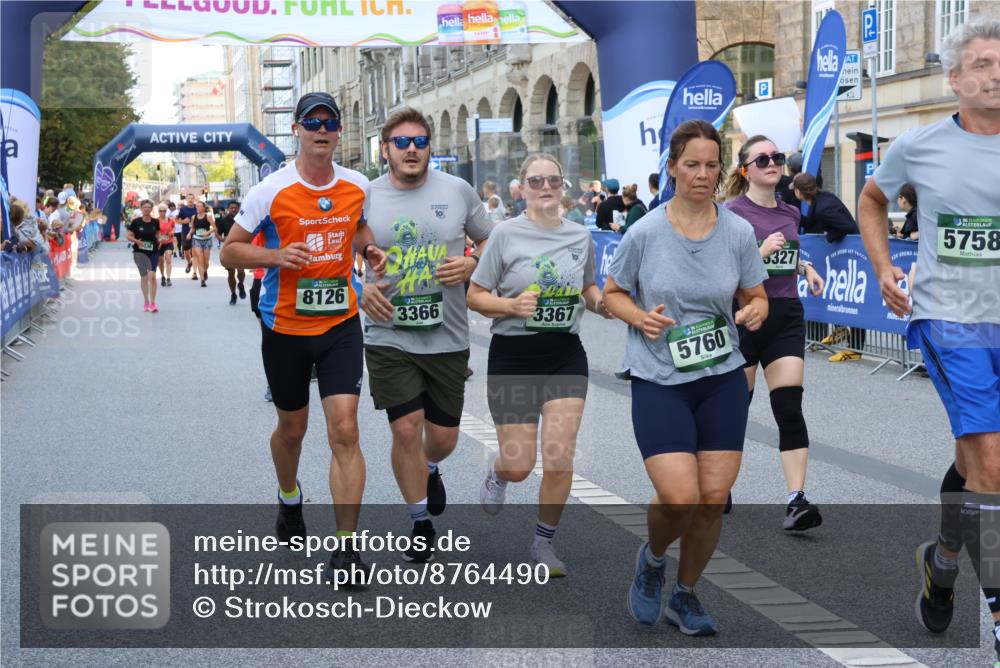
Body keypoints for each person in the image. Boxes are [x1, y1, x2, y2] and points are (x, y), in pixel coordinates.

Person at [856, 19, 1000, 662]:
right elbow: (871, 199)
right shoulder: (919, 145)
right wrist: (883, 267)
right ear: (955, 78)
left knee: (974, 466)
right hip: (951, 320)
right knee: (992, 464)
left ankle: (942, 562)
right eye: (982, 63)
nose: (996, 74)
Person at [603, 119, 768, 635]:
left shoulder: (738, 232)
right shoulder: (645, 232)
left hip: (721, 376)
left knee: (712, 498)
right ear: (672, 167)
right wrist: (639, 317)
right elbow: (612, 293)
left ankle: (685, 594)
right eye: (691, 164)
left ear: (722, 170)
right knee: (679, 496)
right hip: (659, 376)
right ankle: (652, 560)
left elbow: (756, 295)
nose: (702, 174)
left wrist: (755, 311)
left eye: (711, 165)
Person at [221, 91, 386, 586]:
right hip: (285, 328)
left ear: (338, 131)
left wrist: (370, 251)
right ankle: (289, 497)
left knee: (346, 430)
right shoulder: (270, 191)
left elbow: (359, 229)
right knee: (293, 430)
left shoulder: (357, 185)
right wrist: (274, 256)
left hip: (340, 324)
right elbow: (229, 252)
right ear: (296, 130)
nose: (321, 130)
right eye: (311, 122)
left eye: (329, 122)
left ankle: (346, 549)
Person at [358, 107, 493, 564]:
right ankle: (419, 521)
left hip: (447, 334)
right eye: (401, 142)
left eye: (419, 141)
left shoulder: (457, 190)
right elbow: (339, 251)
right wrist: (359, 287)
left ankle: (430, 466)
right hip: (387, 333)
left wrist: (473, 263)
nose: (411, 149)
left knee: (442, 438)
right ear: (385, 150)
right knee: (405, 427)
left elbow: (490, 240)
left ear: (430, 147)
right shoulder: (364, 196)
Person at [467, 153, 611, 576]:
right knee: (519, 464)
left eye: (552, 180)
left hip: (564, 355)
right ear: (522, 188)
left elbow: (588, 286)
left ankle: (543, 544)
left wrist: (602, 303)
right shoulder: (505, 234)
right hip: (513, 356)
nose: (545, 187)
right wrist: (510, 306)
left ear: (562, 185)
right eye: (536, 181)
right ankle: (498, 472)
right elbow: (475, 295)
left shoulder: (580, 235)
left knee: (560, 455)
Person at [724, 135, 827, 530]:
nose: (772, 163)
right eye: (762, 159)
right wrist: (759, 253)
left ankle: (796, 500)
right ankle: (719, 482)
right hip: (745, 314)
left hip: (785, 314)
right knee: (735, 408)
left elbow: (788, 253)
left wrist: (806, 268)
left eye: (777, 157)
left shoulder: (791, 212)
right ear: (745, 170)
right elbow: (721, 272)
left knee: (789, 407)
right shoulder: (731, 214)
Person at [793, 172, 865, 362]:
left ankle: (855, 349)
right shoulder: (820, 200)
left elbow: (848, 226)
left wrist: (829, 238)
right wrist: (794, 215)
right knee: (839, 297)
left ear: (799, 191)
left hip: (852, 256)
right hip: (843, 256)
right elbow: (813, 223)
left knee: (853, 301)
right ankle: (841, 330)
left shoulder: (823, 207)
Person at [127, 199, 160, 313]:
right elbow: (129, 236)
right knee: (144, 277)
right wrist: (137, 241)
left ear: (151, 209)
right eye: (144, 207)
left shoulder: (155, 222)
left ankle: (153, 302)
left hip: (153, 251)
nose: (146, 209)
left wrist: (160, 239)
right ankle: (146, 301)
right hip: (139, 252)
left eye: (149, 207)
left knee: (152, 275)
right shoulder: (136, 222)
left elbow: (157, 234)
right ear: (141, 208)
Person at [216, 200, 247, 304]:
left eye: (236, 208)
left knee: (241, 270)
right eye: (231, 208)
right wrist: (223, 239)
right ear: (228, 209)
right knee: (231, 273)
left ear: (239, 209)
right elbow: (218, 234)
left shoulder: (243, 219)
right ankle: (233, 294)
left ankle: (241, 284)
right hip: (229, 249)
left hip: (241, 247)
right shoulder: (223, 221)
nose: (234, 209)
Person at [187, 200, 215, 287]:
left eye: (200, 206)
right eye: (197, 206)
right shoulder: (193, 217)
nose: (198, 208)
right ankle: (202, 280)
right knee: (200, 260)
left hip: (207, 240)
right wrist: (189, 233)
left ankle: (205, 271)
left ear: (203, 208)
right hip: (197, 240)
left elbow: (214, 228)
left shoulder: (208, 216)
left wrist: (207, 232)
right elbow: (193, 228)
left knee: (206, 262)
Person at [155, 203, 174, 287]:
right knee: (160, 262)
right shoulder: (155, 221)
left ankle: (168, 278)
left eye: (164, 211)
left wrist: (172, 232)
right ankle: (163, 276)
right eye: (160, 211)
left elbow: (173, 228)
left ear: (166, 211)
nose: (162, 212)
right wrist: (158, 238)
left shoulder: (170, 220)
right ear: (158, 211)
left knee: (168, 259)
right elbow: (154, 232)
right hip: (159, 244)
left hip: (168, 242)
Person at [178, 195, 196, 274]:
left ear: (194, 199)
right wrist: (183, 221)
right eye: (189, 198)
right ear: (186, 199)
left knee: (194, 250)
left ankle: (194, 272)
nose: (190, 200)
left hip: (196, 231)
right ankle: (189, 263)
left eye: (192, 198)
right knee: (186, 249)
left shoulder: (197, 208)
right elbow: (176, 220)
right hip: (185, 231)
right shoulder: (183, 209)